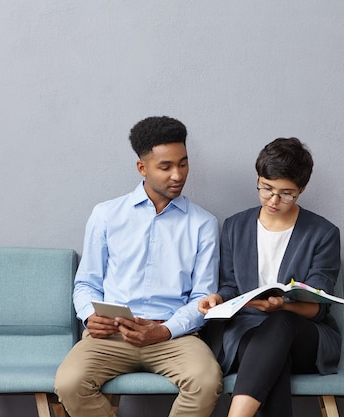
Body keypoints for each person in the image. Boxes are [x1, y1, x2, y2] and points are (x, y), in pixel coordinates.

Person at [55, 116, 223, 417]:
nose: (178, 175)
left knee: (207, 380)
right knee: (69, 383)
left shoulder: (203, 224)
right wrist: (90, 316)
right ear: (142, 168)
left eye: (183, 164)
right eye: (166, 166)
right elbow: (87, 283)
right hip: (111, 335)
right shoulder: (106, 215)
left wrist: (165, 331)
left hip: (173, 335)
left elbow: (203, 298)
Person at [198, 138, 342, 417]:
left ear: (301, 189)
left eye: (286, 193)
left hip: (304, 337)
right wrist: (217, 297)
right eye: (266, 189)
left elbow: (319, 306)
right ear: (258, 179)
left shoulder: (323, 233)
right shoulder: (235, 226)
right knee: (274, 362)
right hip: (246, 334)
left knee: (282, 323)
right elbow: (229, 286)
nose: (274, 200)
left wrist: (284, 305)